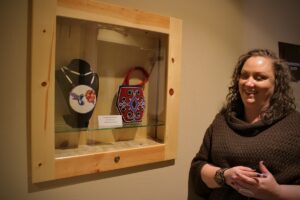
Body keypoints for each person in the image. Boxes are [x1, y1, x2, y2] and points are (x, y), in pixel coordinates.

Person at [188, 49, 300, 200]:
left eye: (259, 77)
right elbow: (199, 167)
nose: (249, 83)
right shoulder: (223, 120)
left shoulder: (294, 125)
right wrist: (225, 175)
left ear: (277, 84)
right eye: (244, 75)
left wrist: (278, 192)